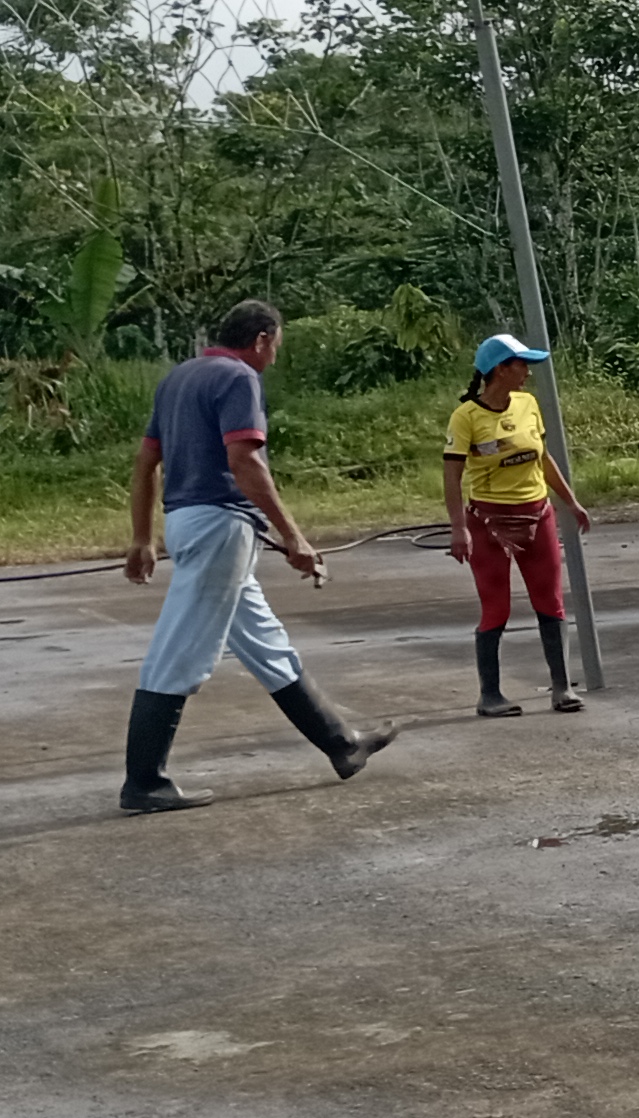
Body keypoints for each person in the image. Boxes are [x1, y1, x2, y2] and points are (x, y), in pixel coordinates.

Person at [117, 299, 398, 814]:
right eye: (276, 346)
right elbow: (245, 460)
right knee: (180, 651)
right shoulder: (239, 377)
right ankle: (144, 781)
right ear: (262, 338)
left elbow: (146, 462)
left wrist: (143, 536)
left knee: (265, 642)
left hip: (190, 522)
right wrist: (294, 536)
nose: (274, 357)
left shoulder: (179, 378)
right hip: (220, 526)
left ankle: (341, 744)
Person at [442, 333, 594, 717]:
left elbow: (543, 458)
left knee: (551, 602)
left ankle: (562, 688)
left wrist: (570, 502)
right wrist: (458, 528)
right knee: (497, 608)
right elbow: (452, 476)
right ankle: (490, 695)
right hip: (488, 523)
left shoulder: (528, 404)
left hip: (537, 515)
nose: (527, 372)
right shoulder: (466, 417)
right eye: (521, 364)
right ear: (500, 369)